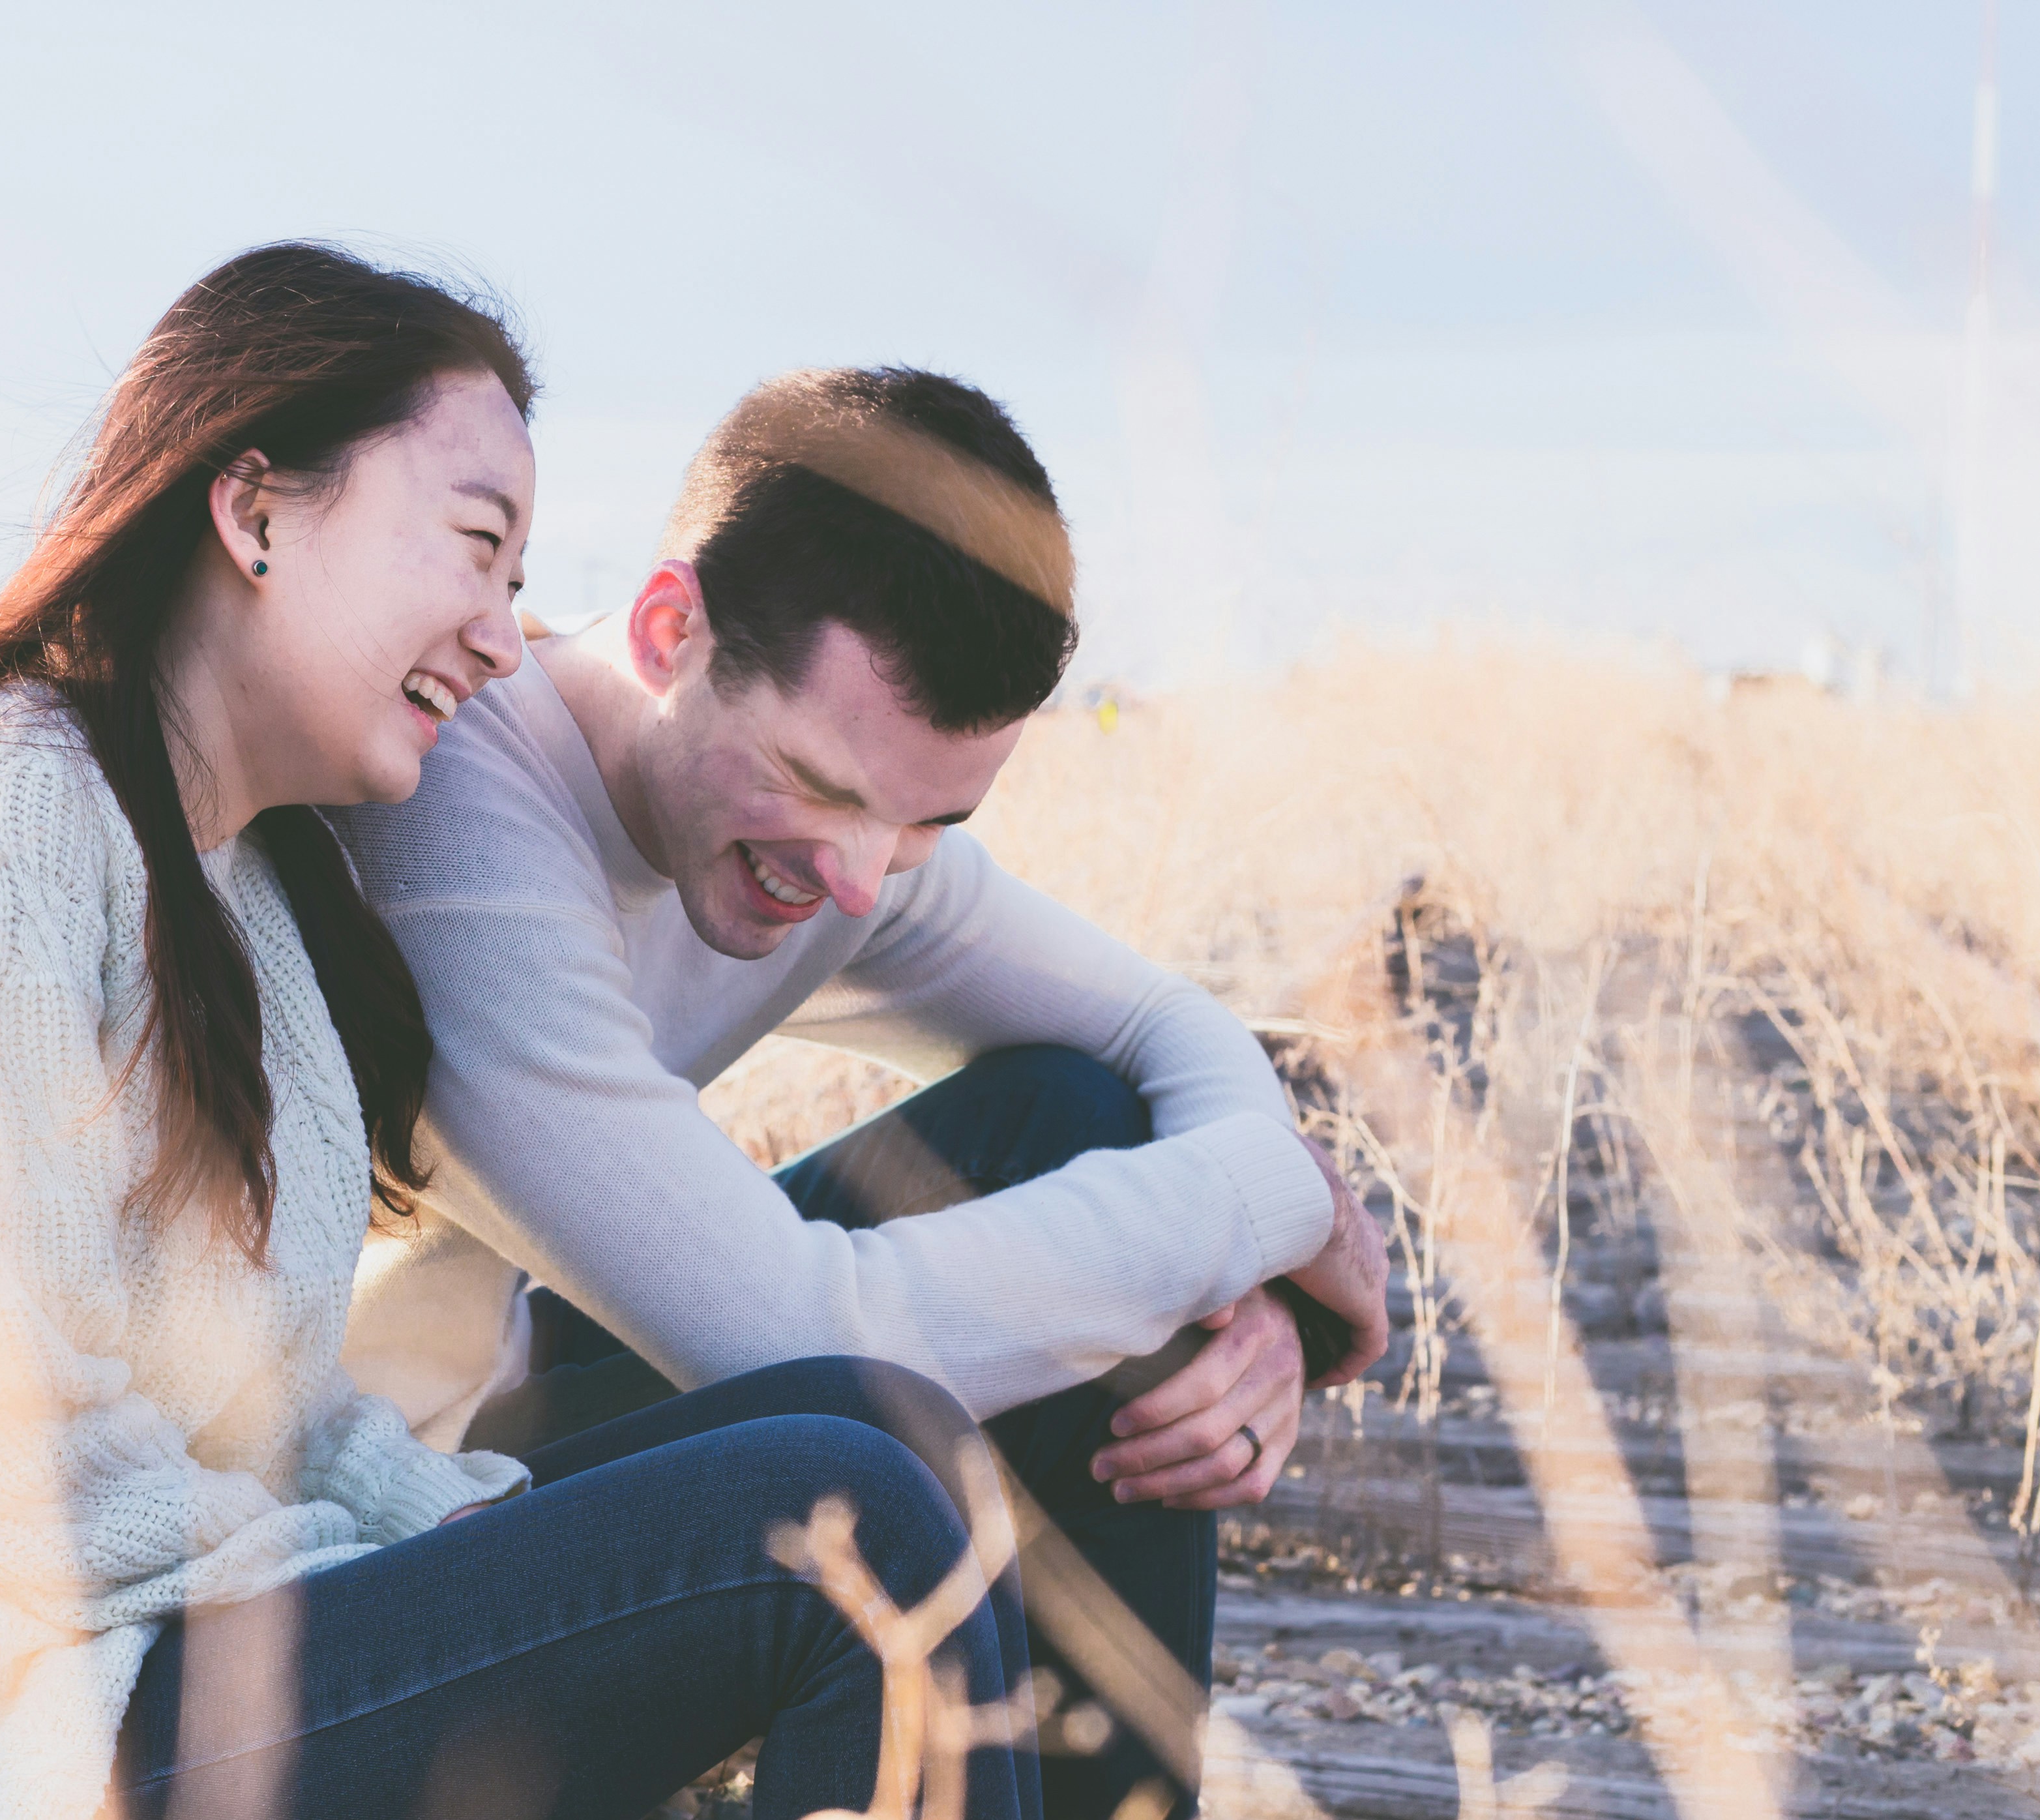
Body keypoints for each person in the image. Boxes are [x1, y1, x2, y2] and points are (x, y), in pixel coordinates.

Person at [0, 248, 1039, 1820]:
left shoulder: (244, 889)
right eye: (472, 549)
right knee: (836, 1513)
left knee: (880, 1419)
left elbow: (264, 1407)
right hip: (5, 1748)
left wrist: (448, 1533)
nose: (505, 638)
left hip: (179, 1666)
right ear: (255, 511)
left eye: (521, 585)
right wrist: (400, 1575)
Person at [329, 365, 1392, 1819]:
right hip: (351, 1554)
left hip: (498, 1415)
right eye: (819, 784)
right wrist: (1266, 1207)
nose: (857, 875)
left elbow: (1163, 1025)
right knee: (926, 1399)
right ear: (667, 628)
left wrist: (1249, 1285)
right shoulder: (456, 814)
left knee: (1076, 1119)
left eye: (928, 818)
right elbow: (799, 1332)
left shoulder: (856, 842)